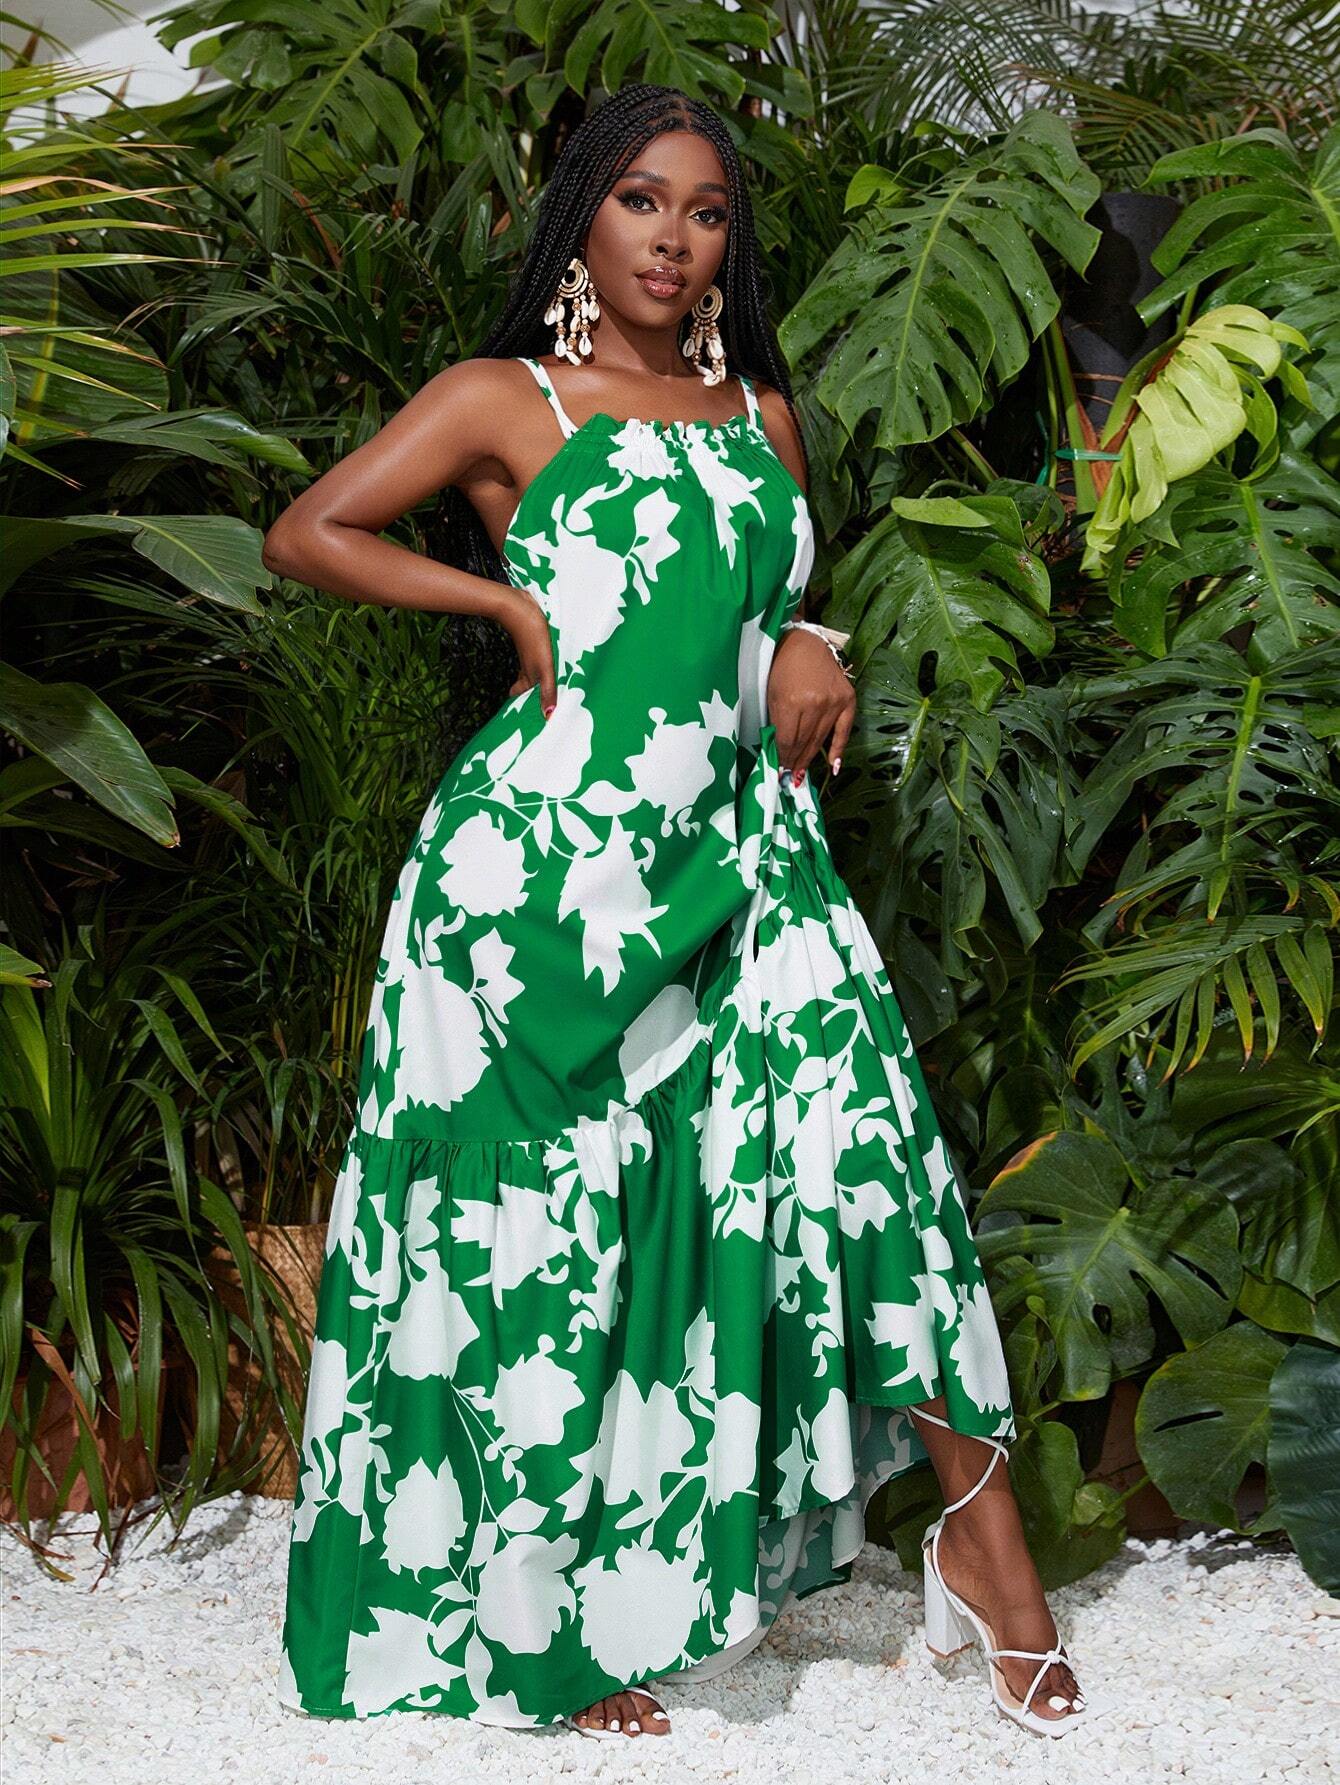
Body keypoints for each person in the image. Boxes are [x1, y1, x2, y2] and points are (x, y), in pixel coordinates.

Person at [262, 82, 1091, 1743]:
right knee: (555, 1243)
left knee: (878, 1155)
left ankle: (992, 1563)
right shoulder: (510, 398)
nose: (673, 236)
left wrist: (820, 643)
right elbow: (309, 530)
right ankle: (551, 1623)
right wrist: (499, 599)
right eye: (642, 200)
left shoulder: (760, 413)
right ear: (586, 212)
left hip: (747, 856)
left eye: (706, 211)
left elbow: (771, 608)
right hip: (537, 882)